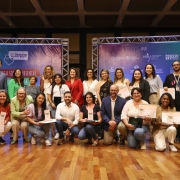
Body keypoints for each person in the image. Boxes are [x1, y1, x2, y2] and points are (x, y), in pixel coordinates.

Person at [47, 73, 69, 139]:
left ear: (61, 78)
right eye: (56, 77)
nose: (57, 79)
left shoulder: (65, 86)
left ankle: (63, 132)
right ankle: (57, 132)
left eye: (59, 77)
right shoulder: (51, 86)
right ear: (54, 79)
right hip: (54, 103)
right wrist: (51, 103)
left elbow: (68, 94)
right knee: (55, 118)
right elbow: (49, 96)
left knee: (62, 118)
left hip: (63, 103)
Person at [163, 60, 180, 141]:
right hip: (173, 101)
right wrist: (165, 87)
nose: (176, 66)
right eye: (174, 65)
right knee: (175, 119)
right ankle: (175, 136)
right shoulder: (169, 76)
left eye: (177, 65)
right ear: (172, 67)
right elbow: (164, 86)